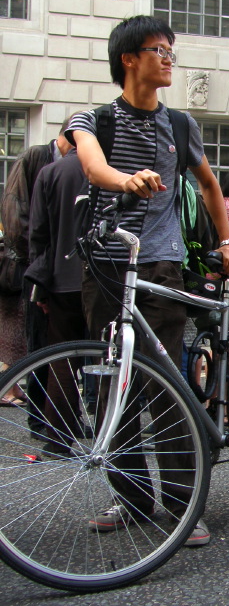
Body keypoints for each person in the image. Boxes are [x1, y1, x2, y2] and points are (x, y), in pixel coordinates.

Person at [68, 15, 229, 547]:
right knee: (111, 385)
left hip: (161, 264)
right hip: (106, 265)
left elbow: (210, 185)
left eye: (172, 50)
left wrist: (228, 237)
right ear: (129, 58)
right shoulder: (92, 118)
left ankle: (183, 504)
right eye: (159, 49)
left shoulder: (183, 126)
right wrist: (128, 180)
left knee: (165, 384)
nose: (169, 58)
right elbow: (94, 167)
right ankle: (134, 498)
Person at [25, 125, 95, 456]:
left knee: (62, 360)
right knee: (110, 359)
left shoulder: (50, 173)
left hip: (60, 278)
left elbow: (37, 234)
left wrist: (41, 285)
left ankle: (57, 439)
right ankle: (116, 438)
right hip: (102, 278)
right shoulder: (108, 172)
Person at [0, 119, 74, 428]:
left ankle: (54, 416)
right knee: (40, 341)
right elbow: (15, 211)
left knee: (56, 342)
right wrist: (40, 261)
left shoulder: (73, 165)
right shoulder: (35, 158)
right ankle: (38, 419)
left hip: (58, 261)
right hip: (36, 264)